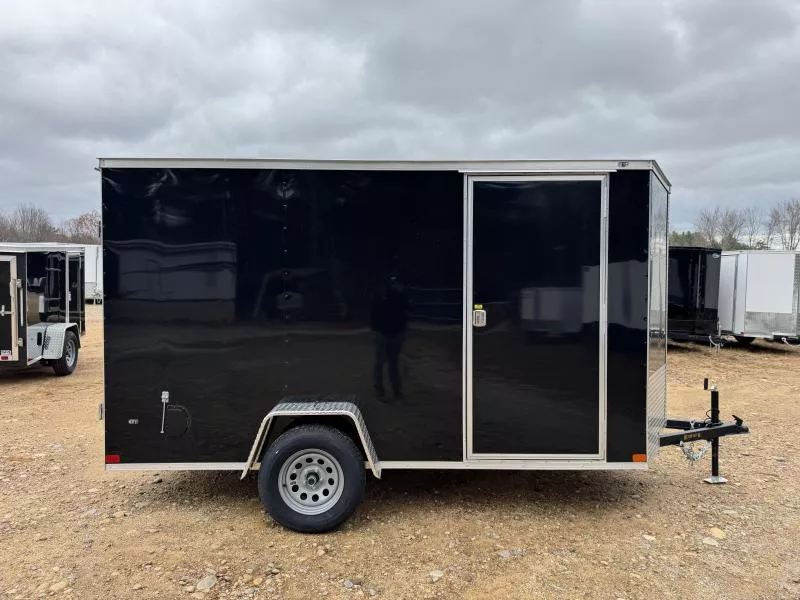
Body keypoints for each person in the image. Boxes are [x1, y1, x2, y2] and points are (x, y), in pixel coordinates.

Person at [370, 276, 409, 399]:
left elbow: (406, 309)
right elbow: (374, 312)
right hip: (385, 332)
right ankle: (383, 389)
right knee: (384, 363)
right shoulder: (383, 295)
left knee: (391, 363)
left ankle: (393, 390)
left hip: (392, 332)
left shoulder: (397, 295)